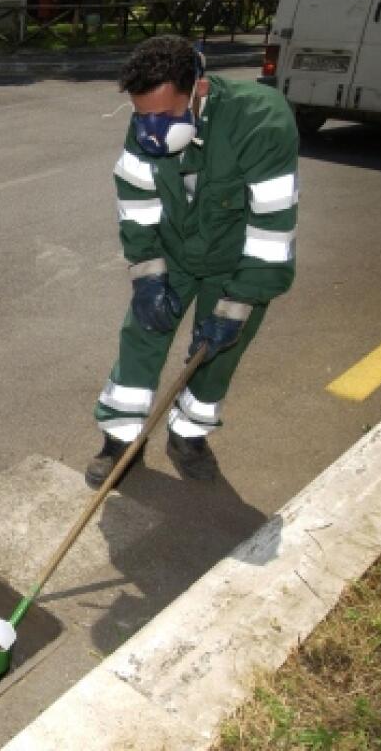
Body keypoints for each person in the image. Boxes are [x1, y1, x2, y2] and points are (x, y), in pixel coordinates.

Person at [86, 34, 298, 488]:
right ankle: (122, 441)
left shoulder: (262, 121)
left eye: (164, 115)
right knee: (140, 338)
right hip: (174, 251)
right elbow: (137, 200)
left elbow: (272, 229)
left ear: (198, 90)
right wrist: (147, 274)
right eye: (142, 115)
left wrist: (237, 305)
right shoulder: (146, 122)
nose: (151, 128)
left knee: (217, 355)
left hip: (236, 262)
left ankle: (188, 435)